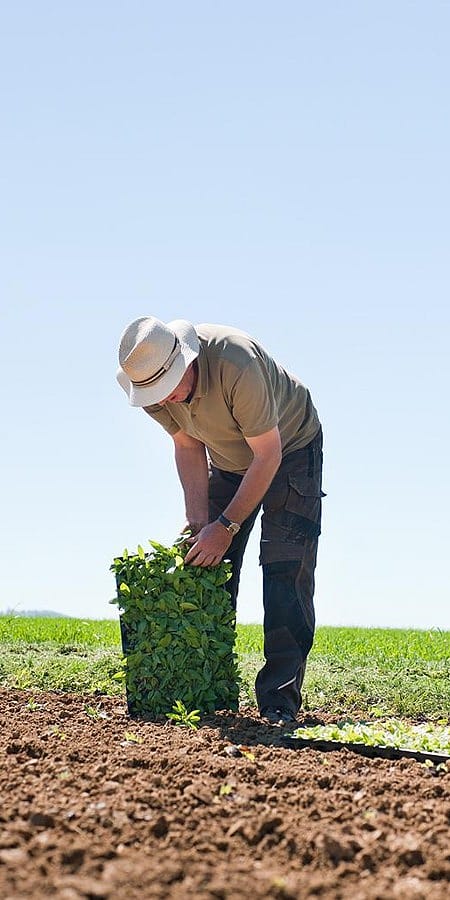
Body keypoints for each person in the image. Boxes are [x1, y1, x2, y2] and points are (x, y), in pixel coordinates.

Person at [117, 316, 325, 725]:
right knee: (206, 567)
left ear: (186, 360)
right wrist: (200, 523)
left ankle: (278, 701)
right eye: (156, 393)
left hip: (291, 449)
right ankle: (206, 691)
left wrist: (226, 526)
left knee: (285, 570)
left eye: (169, 386)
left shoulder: (236, 364)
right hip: (228, 461)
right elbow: (188, 445)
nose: (167, 399)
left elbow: (268, 456)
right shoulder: (146, 376)